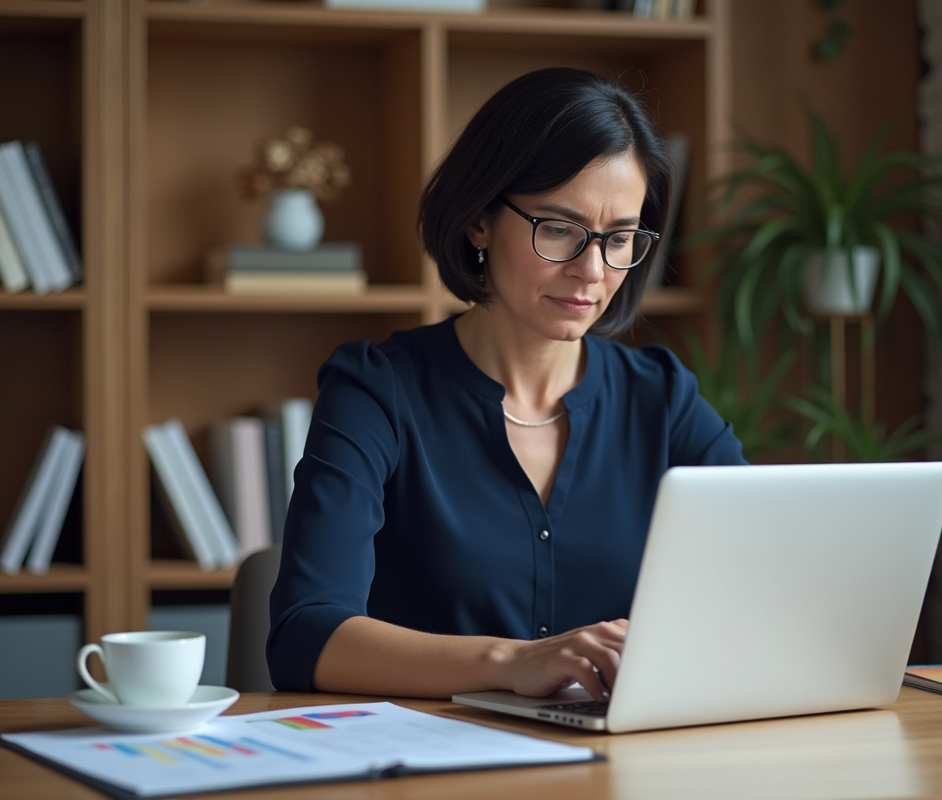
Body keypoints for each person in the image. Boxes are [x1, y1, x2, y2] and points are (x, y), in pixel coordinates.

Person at [267, 67, 746, 701]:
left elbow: (758, 588)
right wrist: (511, 661)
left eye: (620, 238)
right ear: (478, 222)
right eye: (559, 230)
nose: (593, 271)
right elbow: (304, 637)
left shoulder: (663, 398)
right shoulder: (376, 391)